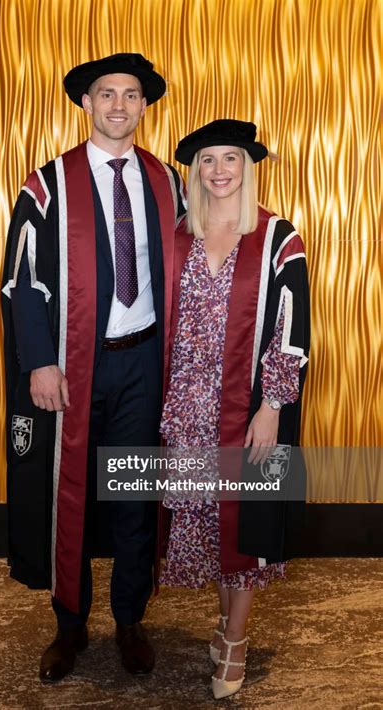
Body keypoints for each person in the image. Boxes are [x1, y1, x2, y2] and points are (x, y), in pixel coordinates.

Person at [1, 53, 185, 682]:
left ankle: (130, 619)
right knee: (68, 495)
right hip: (76, 367)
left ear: (143, 105)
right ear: (86, 102)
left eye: (130, 95)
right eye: (106, 93)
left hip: (143, 363)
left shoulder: (167, 181)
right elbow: (25, 281)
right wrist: (40, 363)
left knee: (135, 493)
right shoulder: (48, 183)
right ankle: (70, 625)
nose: (117, 105)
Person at [158, 119, 310, 699]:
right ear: (195, 172)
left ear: (247, 168)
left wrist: (272, 405)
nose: (219, 171)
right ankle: (223, 624)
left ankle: (237, 640)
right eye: (207, 162)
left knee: (245, 522)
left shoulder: (277, 237)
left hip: (250, 408)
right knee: (208, 521)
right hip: (188, 411)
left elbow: (292, 330)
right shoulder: (180, 235)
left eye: (230, 159)